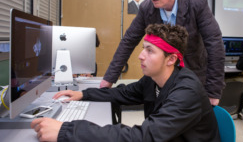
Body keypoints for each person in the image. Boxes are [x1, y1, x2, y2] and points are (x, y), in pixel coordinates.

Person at [30, 24, 220, 142]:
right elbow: (123, 93)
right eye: (143, 48)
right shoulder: (152, 80)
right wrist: (84, 94)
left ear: (170, 59)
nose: (140, 56)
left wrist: (66, 131)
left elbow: (145, 137)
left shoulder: (187, 92)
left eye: (150, 50)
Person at [101, 0, 225, 105]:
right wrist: (109, 79)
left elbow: (214, 44)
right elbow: (128, 42)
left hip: (193, 74)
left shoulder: (196, 3)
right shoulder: (146, 8)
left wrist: (213, 91)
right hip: (160, 78)